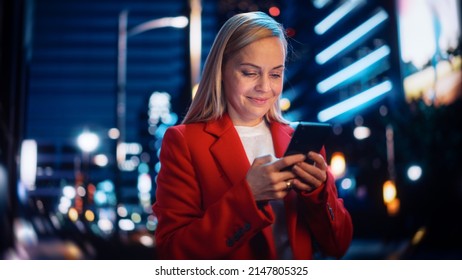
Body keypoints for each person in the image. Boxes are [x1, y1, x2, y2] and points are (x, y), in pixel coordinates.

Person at [152, 11, 353, 260]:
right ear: (221, 71)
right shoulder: (184, 142)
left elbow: (339, 246)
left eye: (275, 74)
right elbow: (173, 253)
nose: (265, 87)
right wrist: (249, 195)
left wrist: (319, 193)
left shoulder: (298, 140)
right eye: (250, 73)